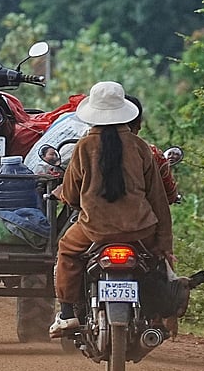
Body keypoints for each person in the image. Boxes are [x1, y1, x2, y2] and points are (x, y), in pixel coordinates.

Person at [49, 81, 174, 338]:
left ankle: (67, 314)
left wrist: (74, 199)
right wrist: (164, 244)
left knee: (67, 250)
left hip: (94, 230)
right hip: (141, 230)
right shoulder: (140, 147)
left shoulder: (84, 146)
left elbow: (71, 194)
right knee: (155, 262)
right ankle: (156, 316)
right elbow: (158, 199)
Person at [125, 95, 181, 205]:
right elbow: (169, 195)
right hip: (138, 215)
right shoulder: (152, 154)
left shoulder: (89, 150)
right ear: (138, 124)